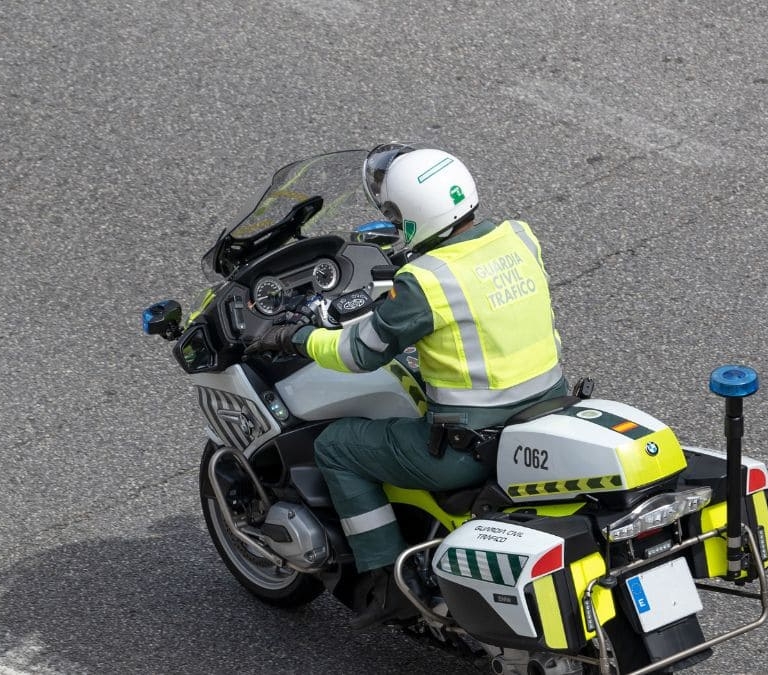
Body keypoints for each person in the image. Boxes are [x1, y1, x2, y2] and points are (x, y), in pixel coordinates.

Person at [247, 143, 568, 629]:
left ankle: (386, 581)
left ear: (413, 215)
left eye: (396, 217)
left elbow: (358, 353)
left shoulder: (426, 281)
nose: (396, 226)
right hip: (545, 414)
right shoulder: (519, 238)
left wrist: (299, 336)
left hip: (465, 449)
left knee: (338, 446)